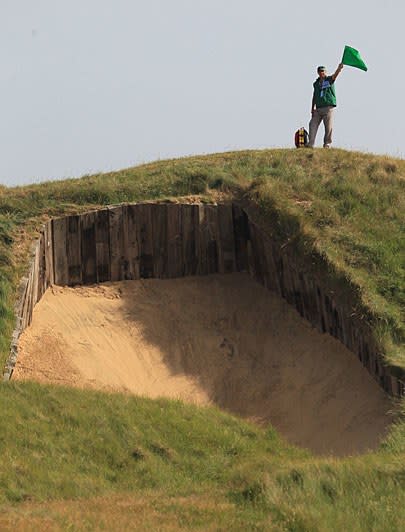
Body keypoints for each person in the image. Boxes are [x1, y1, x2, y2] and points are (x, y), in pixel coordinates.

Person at [308, 63, 343, 148]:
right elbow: (314, 95)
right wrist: (312, 108)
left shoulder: (329, 80)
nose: (321, 73)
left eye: (323, 71)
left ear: (325, 72)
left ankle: (327, 143)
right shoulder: (316, 83)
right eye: (320, 71)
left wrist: (339, 68)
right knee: (312, 124)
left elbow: (335, 75)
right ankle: (310, 143)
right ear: (318, 72)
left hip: (328, 107)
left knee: (328, 127)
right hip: (318, 108)